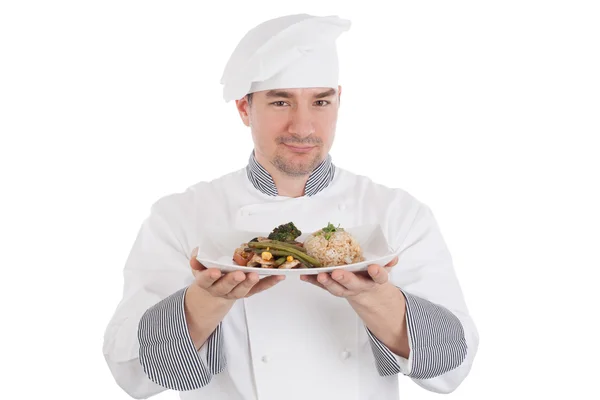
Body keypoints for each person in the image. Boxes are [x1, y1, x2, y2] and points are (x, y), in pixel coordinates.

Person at [102, 13, 479, 400]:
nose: (303, 127)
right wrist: (208, 300)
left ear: (338, 101)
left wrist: (372, 296)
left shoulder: (399, 215)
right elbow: (132, 374)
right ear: (244, 109)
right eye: (280, 101)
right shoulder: (181, 217)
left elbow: (452, 368)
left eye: (320, 101)